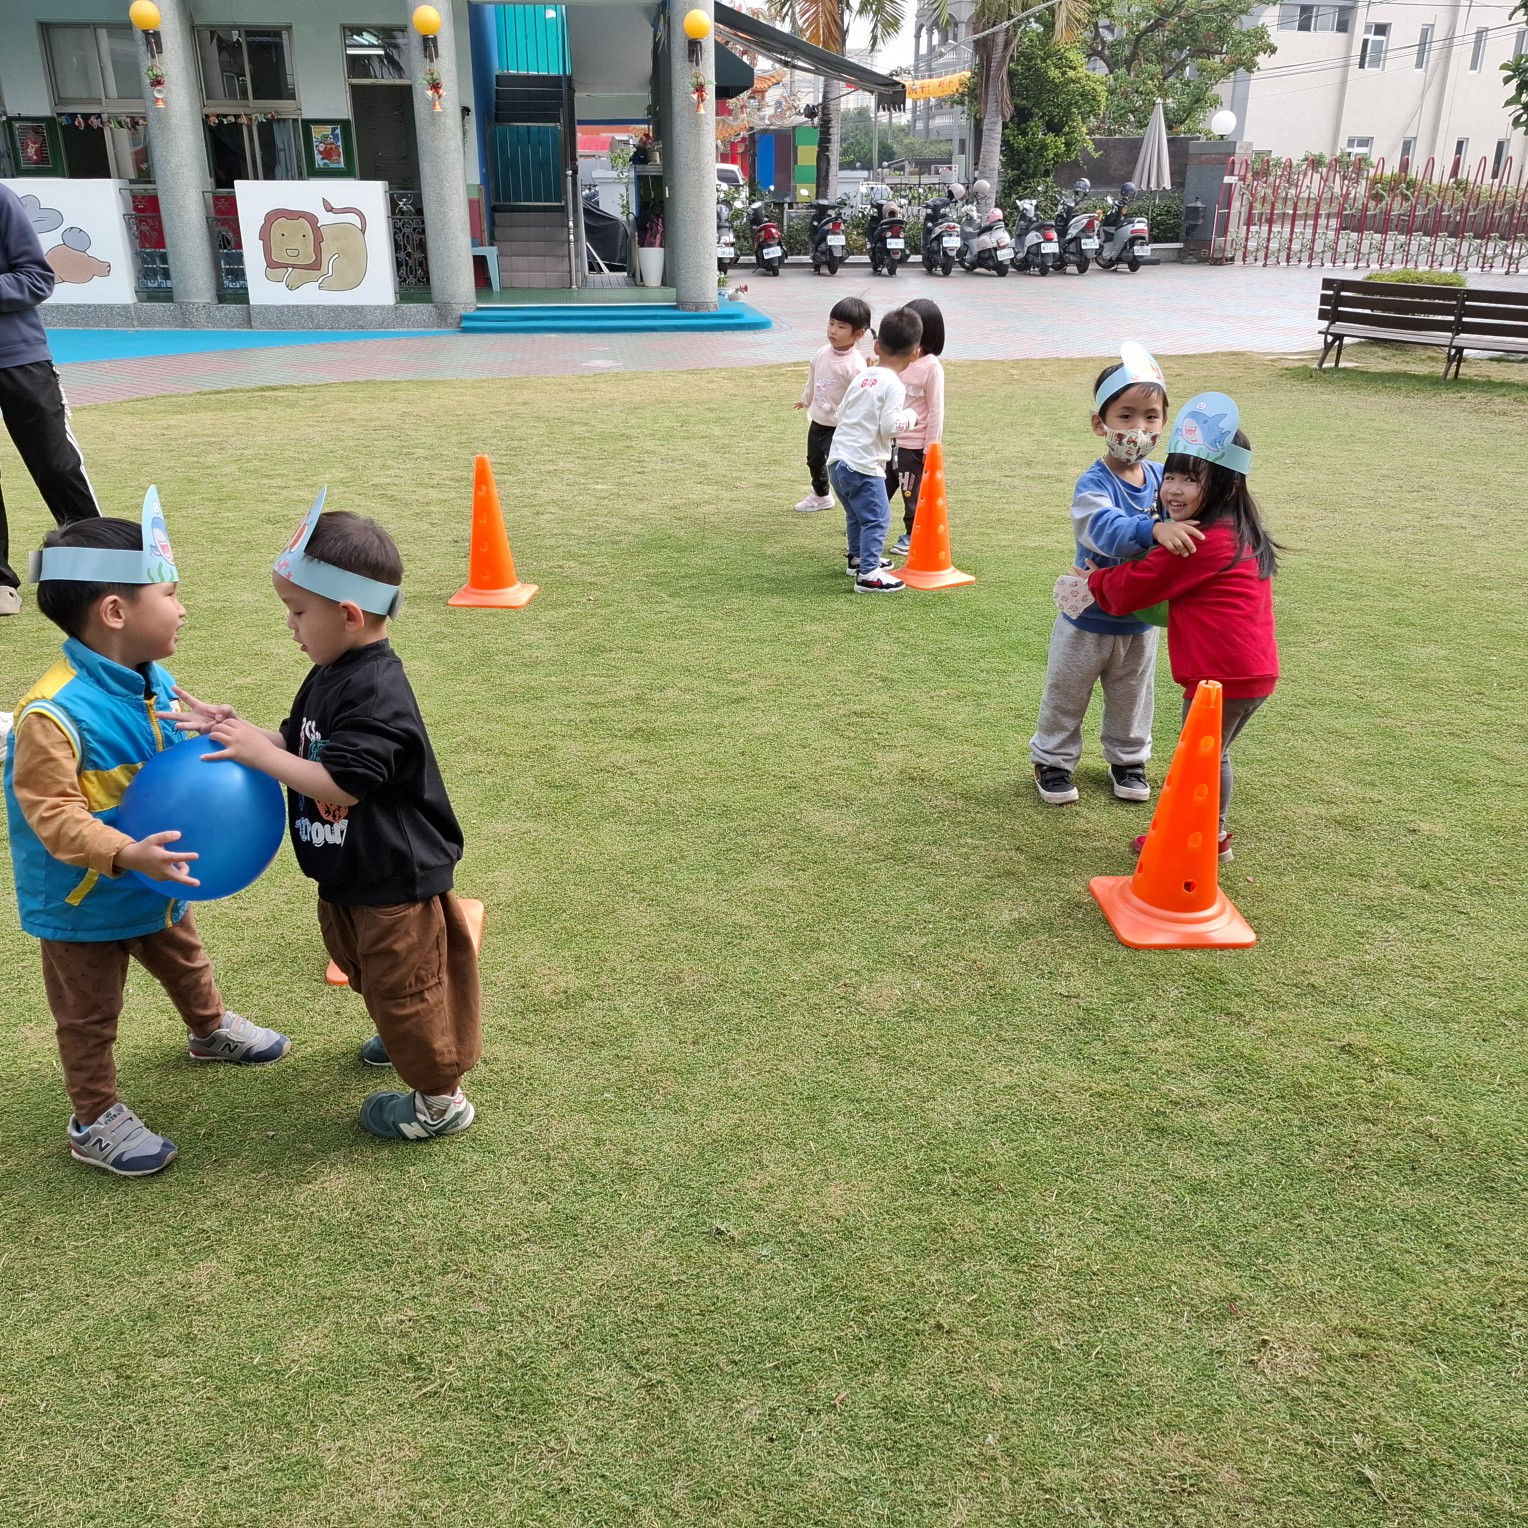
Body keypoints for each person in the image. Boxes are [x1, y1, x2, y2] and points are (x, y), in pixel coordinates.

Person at [2, 499, 291, 1178]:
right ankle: (93, 1118)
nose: (182, 610)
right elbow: (53, 814)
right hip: (82, 901)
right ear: (115, 612)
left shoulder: (149, 678)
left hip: (156, 878)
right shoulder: (52, 715)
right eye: (170, 595)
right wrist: (125, 852)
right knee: (88, 1015)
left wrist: (216, 726)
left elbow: (171, 768)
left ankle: (208, 1029)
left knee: (186, 961)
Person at [187, 496, 482, 1142]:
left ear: (349, 615)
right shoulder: (330, 671)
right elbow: (303, 747)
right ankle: (403, 1032)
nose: (290, 626)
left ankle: (440, 1100)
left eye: (298, 611)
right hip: (350, 871)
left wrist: (261, 754)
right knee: (369, 970)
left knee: (407, 986)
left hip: (394, 878)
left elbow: (343, 785)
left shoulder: (375, 689)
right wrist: (241, 732)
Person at [1083, 392, 1280, 862]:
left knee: (1204, 758)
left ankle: (1203, 838)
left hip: (1222, 676)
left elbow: (1143, 582)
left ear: (1226, 487)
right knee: (1210, 754)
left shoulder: (1200, 541)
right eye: (1170, 475)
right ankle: (1200, 833)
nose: (1173, 489)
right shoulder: (1235, 530)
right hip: (1250, 672)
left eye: (1191, 479)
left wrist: (1094, 579)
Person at [1028, 343, 1202, 807]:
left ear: (1165, 423)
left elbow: (1196, 510)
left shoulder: (1165, 479)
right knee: (1067, 692)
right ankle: (1053, 760)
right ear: (1099, 424)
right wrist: (1154, 529)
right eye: (1125, 416)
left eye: (1150, 416)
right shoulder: (1094, 484)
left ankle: (1129, 759)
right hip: (1087, 616)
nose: (1138, 429)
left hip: (1141, 620)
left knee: (1133, 696)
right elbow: (1102, 529)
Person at [0, 181, 101, 617]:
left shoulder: (0, 199)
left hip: (17, 355)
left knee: (56, 463)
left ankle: (100, 565)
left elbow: (36, 277)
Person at [828, 305, 921, 594]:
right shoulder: (894, 384)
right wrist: (910, 417)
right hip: (863, 465)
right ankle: (868, 574)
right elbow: (890, 427)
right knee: (877, 518)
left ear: (877, 346)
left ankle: (858, 559)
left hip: (837, 461)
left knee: (856, 515)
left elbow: (840, 414)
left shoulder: (863, 376)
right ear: (915, 353)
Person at [793, 296, 870, 513]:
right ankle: (821, 495)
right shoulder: (821, 354)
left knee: (840, 467)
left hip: (840, 427)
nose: (833, 330)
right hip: (818, 420)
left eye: (841, 326)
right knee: (814, 460)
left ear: (858, 334)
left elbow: (861, 398)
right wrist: (806, 400)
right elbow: (813, 379)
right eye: (831, 323)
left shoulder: (856, 365)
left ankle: (854, 503)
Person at [886, 297, 945, 557]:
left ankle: (913, 535)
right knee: (879, 488)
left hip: (913, 447)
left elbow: (936, 409)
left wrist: (931, 447)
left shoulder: (931, 367)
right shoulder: (899, 359)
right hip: (889, 440)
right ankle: (869, 526)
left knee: (912, 494)